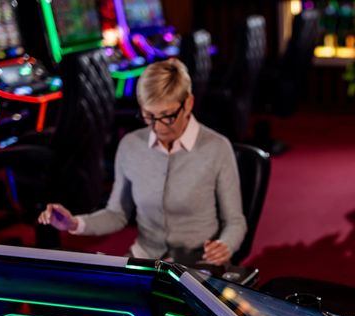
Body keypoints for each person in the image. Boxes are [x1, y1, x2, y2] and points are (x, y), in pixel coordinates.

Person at [38, 58, 247, 265]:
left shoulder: (217, 147)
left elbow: (235, 222)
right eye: (149, 115)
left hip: (199, 264)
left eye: (167, 116)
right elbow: (117, 214)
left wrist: (225, 245)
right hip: (146, 260)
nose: (158, 127)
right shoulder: (130, 145)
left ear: (188, 103)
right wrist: (75, 223)